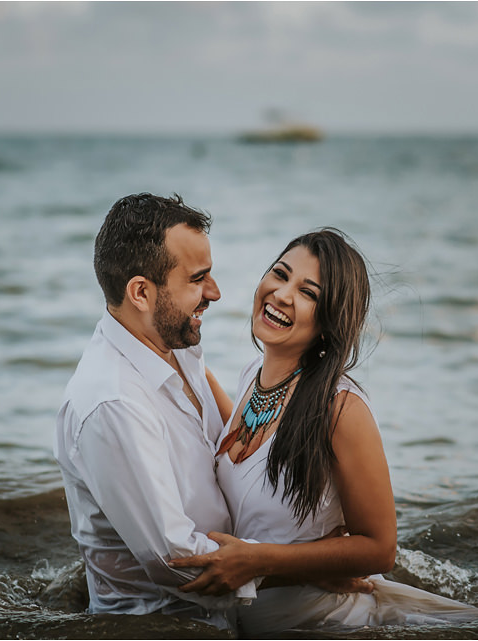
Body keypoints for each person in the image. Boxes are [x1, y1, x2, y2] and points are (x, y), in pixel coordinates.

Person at [53, 195, 370, 631]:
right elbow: (177, 561)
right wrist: (305, 568)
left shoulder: (179, 353)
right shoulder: (115, 404)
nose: (216, 292)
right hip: (167, 630)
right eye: (198, 278)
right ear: (141, 293)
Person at [170, 229, 478, 635]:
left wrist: (263, 563)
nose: (282, 294)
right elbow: (239, 450)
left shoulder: (340, 408)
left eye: (308, 293)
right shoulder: (251, 381)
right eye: (280, 274)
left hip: (330, 627)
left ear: (330, 322)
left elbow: (379, 548)